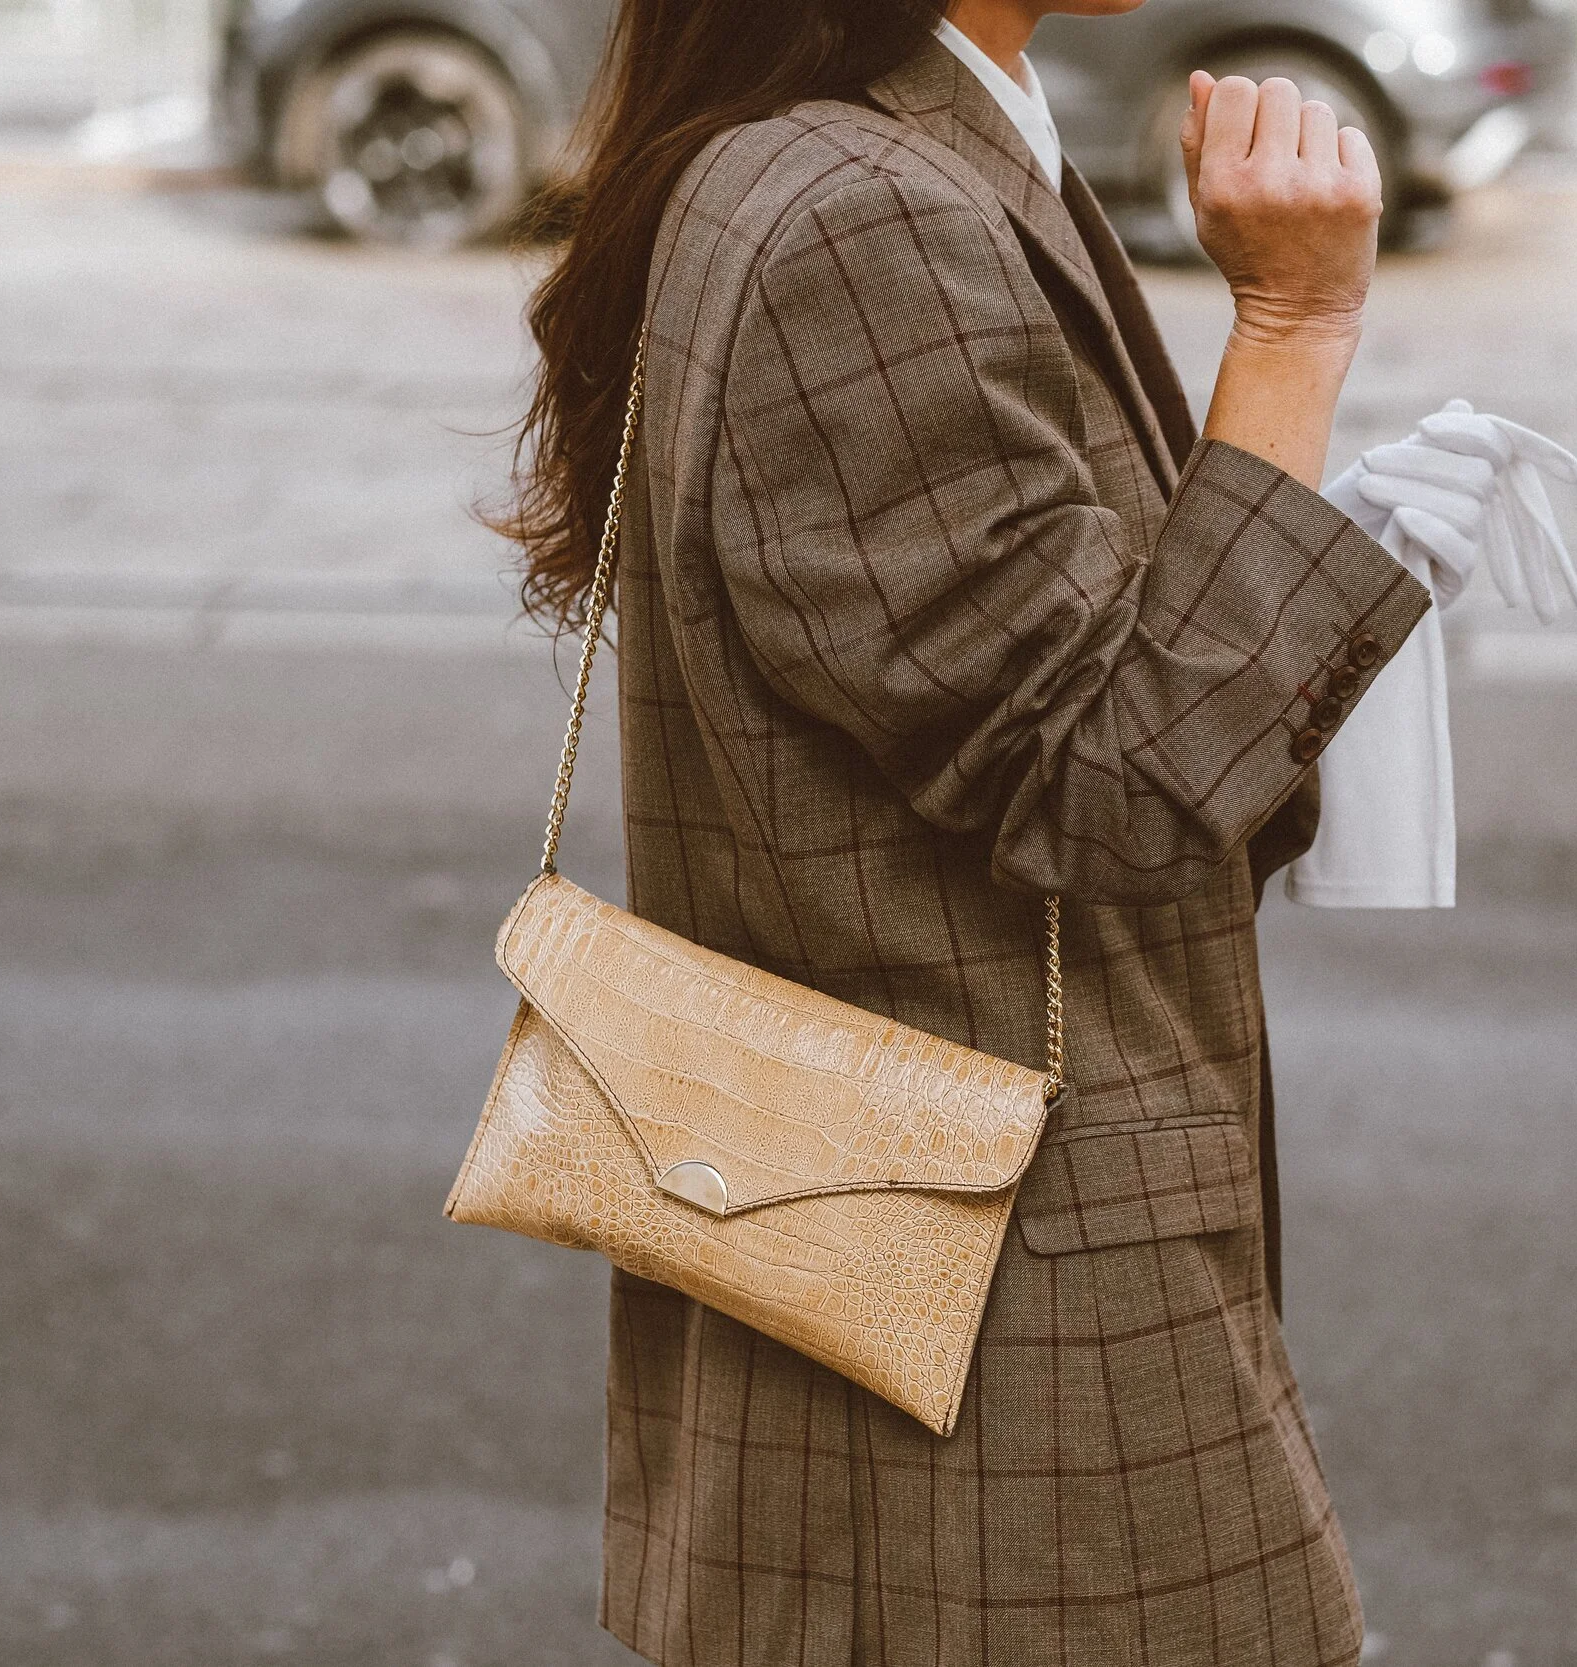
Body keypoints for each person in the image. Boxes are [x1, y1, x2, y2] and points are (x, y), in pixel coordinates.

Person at [495, 2, 1506, 1662]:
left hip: (940, 1287)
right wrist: (1296, 326)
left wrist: (1329, 557)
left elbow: (1084, 682)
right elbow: (1116, 785)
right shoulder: (861, 213)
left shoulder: (911, 150)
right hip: (998, 1343)